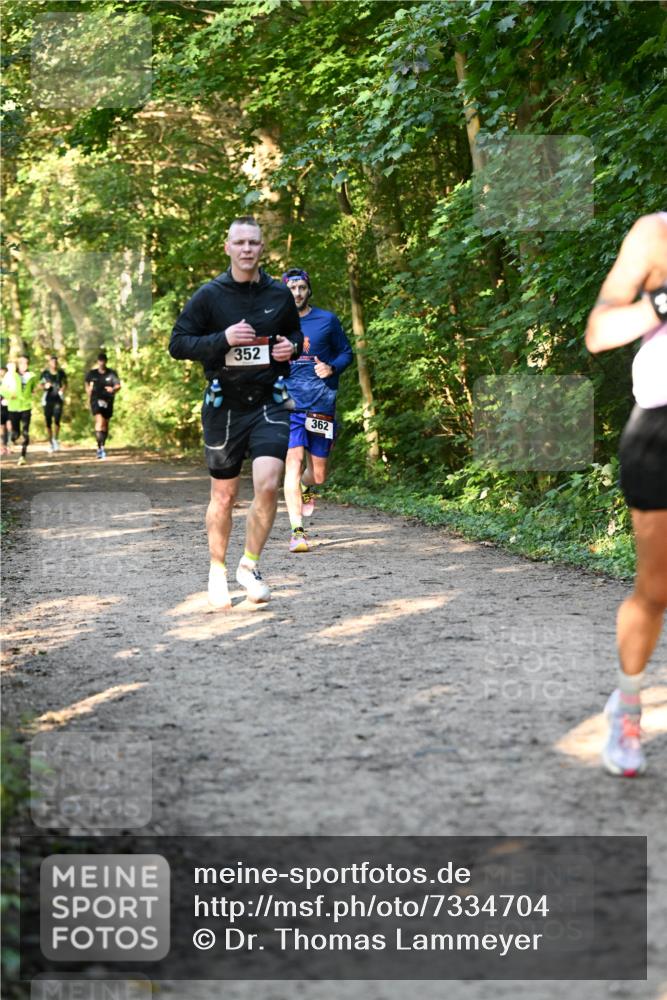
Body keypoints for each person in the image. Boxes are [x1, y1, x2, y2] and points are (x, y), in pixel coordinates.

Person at [169, 216, 303, 609]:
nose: (247, 249)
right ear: (227, 247)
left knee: (268, 483)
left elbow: (294, 334)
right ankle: (217, 570)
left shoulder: (279, 294)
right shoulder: (210, 296)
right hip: (224, 405)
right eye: (240, 242)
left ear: (262, 248)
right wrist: (222, 339)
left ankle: (249, 566)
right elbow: (178, 344)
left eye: (253, 242)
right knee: (224, 495)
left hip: (269, 400)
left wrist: (291, 347)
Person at [585, 211, 667, 777]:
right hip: (661, 427)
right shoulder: (655, 234)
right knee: (656, 589)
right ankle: (628, 707)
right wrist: (660, 303)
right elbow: (599, 333)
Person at [281, 268, 353, 553]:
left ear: (308, 290)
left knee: (318, 475)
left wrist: (332, 367)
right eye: (292, 288)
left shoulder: (327, 320)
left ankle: (306, 486)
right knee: (293, 462)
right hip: (288, 405)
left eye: (301, 288)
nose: (297, 293)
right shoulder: (275, 323)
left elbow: (346, 352)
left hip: (321, 404)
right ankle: (297, 532)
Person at [1, 355, 38, 465]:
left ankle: (22, 456)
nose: (24, 365)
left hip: (26, 407)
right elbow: (2, 389)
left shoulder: (31, 376)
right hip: (13, 407)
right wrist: (9, 395)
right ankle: (12, 439)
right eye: (21, 363)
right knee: (15, 434)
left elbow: (33, 387)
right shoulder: (10, 375)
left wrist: (33, 391)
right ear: (18, 364)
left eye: (26, 363)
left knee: (26, 432)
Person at [84, 352, 121, 459]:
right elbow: (86, 382)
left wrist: (113, 389)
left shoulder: (111, 373)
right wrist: (88, 391)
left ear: (106, 361)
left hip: (108, 400)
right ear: (97, 362)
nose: (101, 363)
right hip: (96, 399)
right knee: (99, 421)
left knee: (105, 424)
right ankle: (99, 448)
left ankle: (102, 445)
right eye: (100, 360)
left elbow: (118, 385)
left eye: (103, 360)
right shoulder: (92, 373)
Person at [40, 354, 67, 452]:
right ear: (49, 363)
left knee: (57, 421)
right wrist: (45, 386)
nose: (54, 363)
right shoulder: (45, 373)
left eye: (55, 361)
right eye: (52, 361)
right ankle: (50, 441)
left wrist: (62, 390)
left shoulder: (61, 373)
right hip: (47, 399)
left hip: (58, 399)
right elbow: (40, 385)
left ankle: (56, 439)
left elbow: (65, 384)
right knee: (48, 422)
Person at [0, 366, 9, 455]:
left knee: (9, 426)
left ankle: (8, 446)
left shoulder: (10, 382)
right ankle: (2, 447)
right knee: (2, 427)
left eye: (4, 372)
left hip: (10, 406)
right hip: (1, 407)